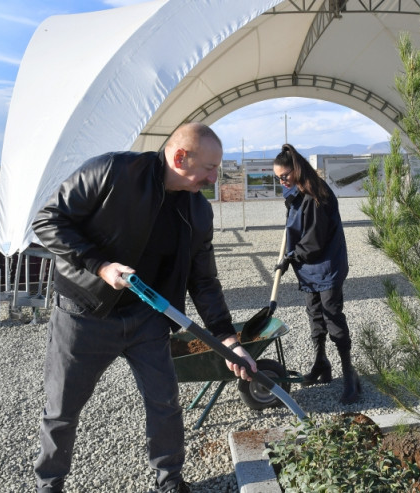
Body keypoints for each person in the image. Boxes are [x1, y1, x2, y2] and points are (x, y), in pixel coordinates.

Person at [31, 122, 257, 493]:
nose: (216, 176)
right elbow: (49, 220)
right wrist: (100, 266)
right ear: (181, 157)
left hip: (149, 317)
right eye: (211, 167)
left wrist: (227, 339)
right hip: (84, 313)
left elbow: (203, 280)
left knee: (165, 402)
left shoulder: (198, 211)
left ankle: (170, 481)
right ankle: (49, 484)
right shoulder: (112, 172)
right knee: (62, 410)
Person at [272, 143, 361, 404]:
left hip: (327, 266)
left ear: (296, 170)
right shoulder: (297, 194)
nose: (281, 181)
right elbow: (294, 230)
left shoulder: (317, 196)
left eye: (284, 176)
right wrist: (289, 256)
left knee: (332, 315)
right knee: (314, 314)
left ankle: (349, 374)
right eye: (278, 178)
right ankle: (321, 363)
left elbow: (313, 241)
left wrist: (291, 257)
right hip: (309, 269)